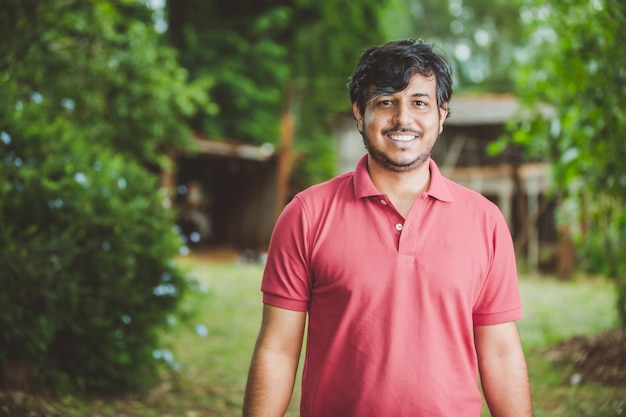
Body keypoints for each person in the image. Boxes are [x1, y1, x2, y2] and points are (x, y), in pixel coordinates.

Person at [243, 38, 532, 417]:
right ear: (359, 114)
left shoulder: (485, 221)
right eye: (385, 102)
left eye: (419, 103)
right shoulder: (306, 215)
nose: (402, 119)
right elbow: (278, 348)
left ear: (441, 115)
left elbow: (500, 351)